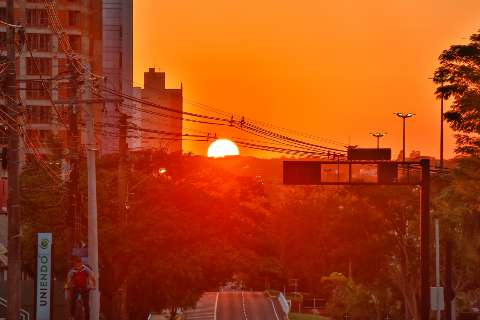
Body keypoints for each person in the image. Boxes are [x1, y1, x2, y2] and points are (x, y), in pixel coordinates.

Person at [66, 256, 96, 320]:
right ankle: (72, 316)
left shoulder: (86, 269)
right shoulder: (72, 271)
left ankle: (87, 318)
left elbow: (93, 277)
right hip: (76, 287)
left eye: (79, 263)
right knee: (73, 301)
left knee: (86, 304)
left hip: (84, 288)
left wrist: (94, 285)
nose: (78, 265)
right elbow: (69, 279)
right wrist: (68, 285)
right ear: (75, 264)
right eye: (76, 264)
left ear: (81, 263)